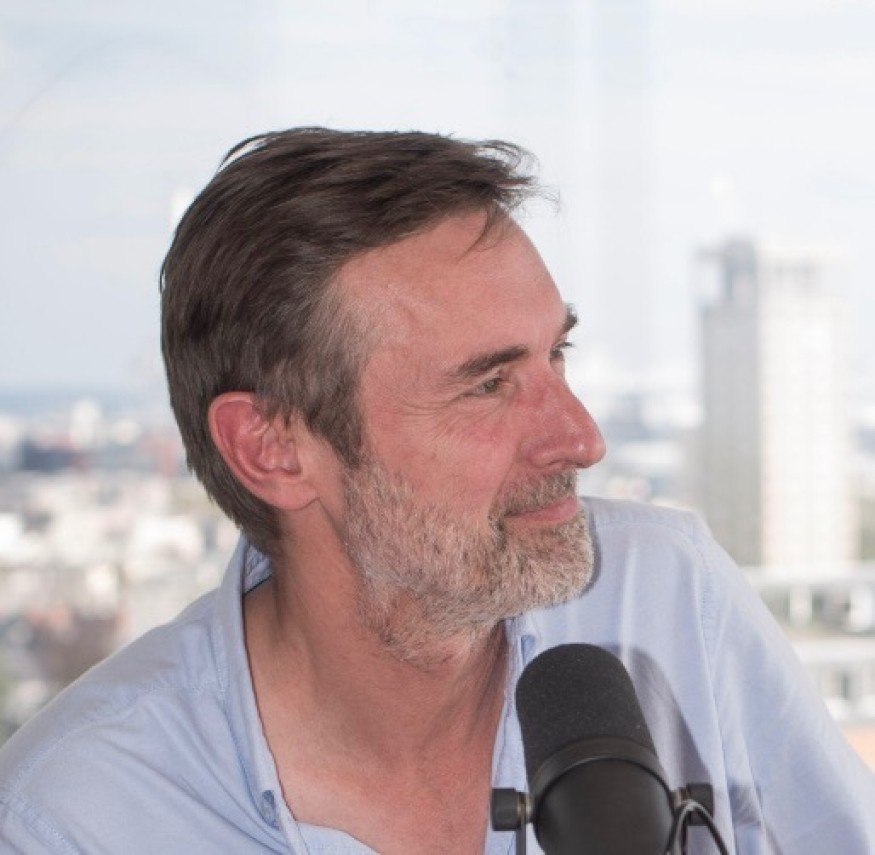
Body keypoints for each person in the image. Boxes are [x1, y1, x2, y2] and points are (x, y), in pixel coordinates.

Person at [0, 127, 872, 854]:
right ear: (271, 448)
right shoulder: (74, 818)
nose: (581, 438)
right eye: (487, 385)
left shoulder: (663, 593)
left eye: (556, 354)